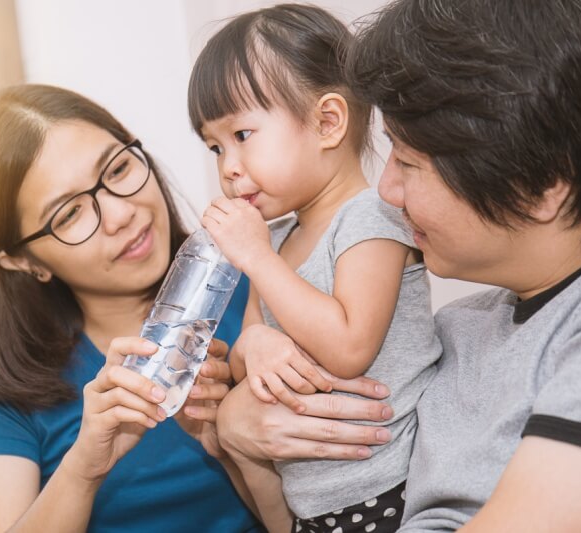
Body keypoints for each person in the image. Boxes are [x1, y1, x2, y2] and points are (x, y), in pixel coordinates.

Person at [218, 0, 581, 531]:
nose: (386, 188)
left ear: (539, 187)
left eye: (408, 161)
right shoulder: (458, 331)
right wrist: (236, 432)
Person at [0, 84, 266, 532]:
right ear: (23, 261)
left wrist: (231, 442)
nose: (119, 214)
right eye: (69, 215)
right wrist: (82, 468)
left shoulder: (259, 291)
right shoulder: (8, 390)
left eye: (117, 167)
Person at [187, 4, 441, 532]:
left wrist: (255, 258)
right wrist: (252, 345)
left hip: (389, 486)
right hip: (313, 504)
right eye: (214, 147)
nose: (228, 167)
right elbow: (247, 357)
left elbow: (350, 347)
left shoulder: (372, 217)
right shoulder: (275, 240)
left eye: (242, 135)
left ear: (328, 122)